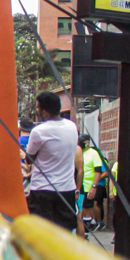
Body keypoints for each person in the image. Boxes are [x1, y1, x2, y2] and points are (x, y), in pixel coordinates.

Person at [23, 91, 83, 233]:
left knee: (41, 232)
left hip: (42, 190)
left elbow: (29, 158)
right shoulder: (72, 127)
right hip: (67, 189)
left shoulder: (39, 131)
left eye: (38, 108)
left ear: (44, 112)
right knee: (64, 231)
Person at [80, 135, 107, 232]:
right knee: (80, 207)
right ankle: (86, 224)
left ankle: (91, 223)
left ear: (88, 142)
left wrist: (94, 186)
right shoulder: (79, 152)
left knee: (88, 206)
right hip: (80, 184)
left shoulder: (93, 153)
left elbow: (98, 171)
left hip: (89, 185)